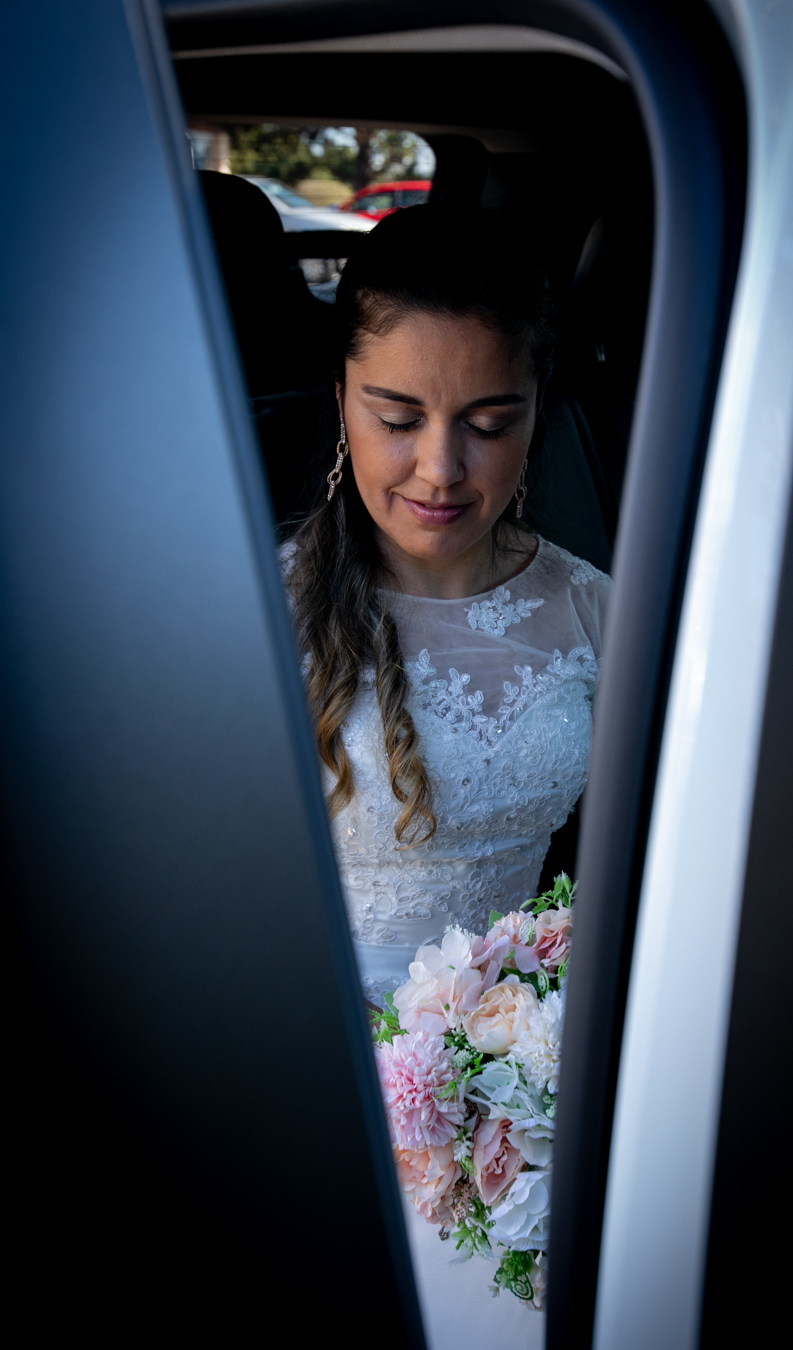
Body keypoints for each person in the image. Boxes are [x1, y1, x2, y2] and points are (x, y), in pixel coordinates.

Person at [281, 206, 610, 1349]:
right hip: (292, 1079)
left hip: (520, 1093)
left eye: (487, 422)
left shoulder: (594, 611)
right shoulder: (259, 609)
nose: (440, 468)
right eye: (398, 417)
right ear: (340, 400)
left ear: (535, 420)